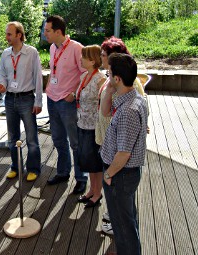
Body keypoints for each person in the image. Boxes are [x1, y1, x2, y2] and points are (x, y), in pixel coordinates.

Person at [94, 36, 145, 235]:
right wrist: (109, 85)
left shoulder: (128, 107)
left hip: (120, 164)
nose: (101, 58)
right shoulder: (120, 88)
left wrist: (107, 174)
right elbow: (106, 111)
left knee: (124, 219)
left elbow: (123, 154)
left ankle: (125, 241)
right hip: (112, 147)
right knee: (122, 211)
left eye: (104, 55)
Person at [43, 15, 87, 193]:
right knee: (58, 139)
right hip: (52, 99)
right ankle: (62, 172)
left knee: (75, 142)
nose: (44, 34)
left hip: (67, 102)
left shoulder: (77, 48)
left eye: (47, 31)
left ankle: (81, 177)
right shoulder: (53, 48)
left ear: (58, 32)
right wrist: (48, 87)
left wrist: (74, 93)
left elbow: (86, 74)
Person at [0, 21, 43, 181]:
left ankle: (33, 169)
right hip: (9, 99)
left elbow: (38, 77)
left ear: (19, 35)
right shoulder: (5, 54)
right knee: (12, 137)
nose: (6, 37)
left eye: (9, 34)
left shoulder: (31, 52)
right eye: (6, 33)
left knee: (31, 138)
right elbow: (1, 73)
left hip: (27, 99)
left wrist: (38, 101)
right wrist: (2, 84)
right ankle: (15, 167)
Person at [75, 45, 106, 207]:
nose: (80, 59)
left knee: (95, 161)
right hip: (82, 123)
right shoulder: (84, 77)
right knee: (87, 160)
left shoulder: (100, 79)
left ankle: (97, 193)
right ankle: (91, 190)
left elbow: (105, 103)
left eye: (83, 57)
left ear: (92, 61)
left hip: (94, 126)